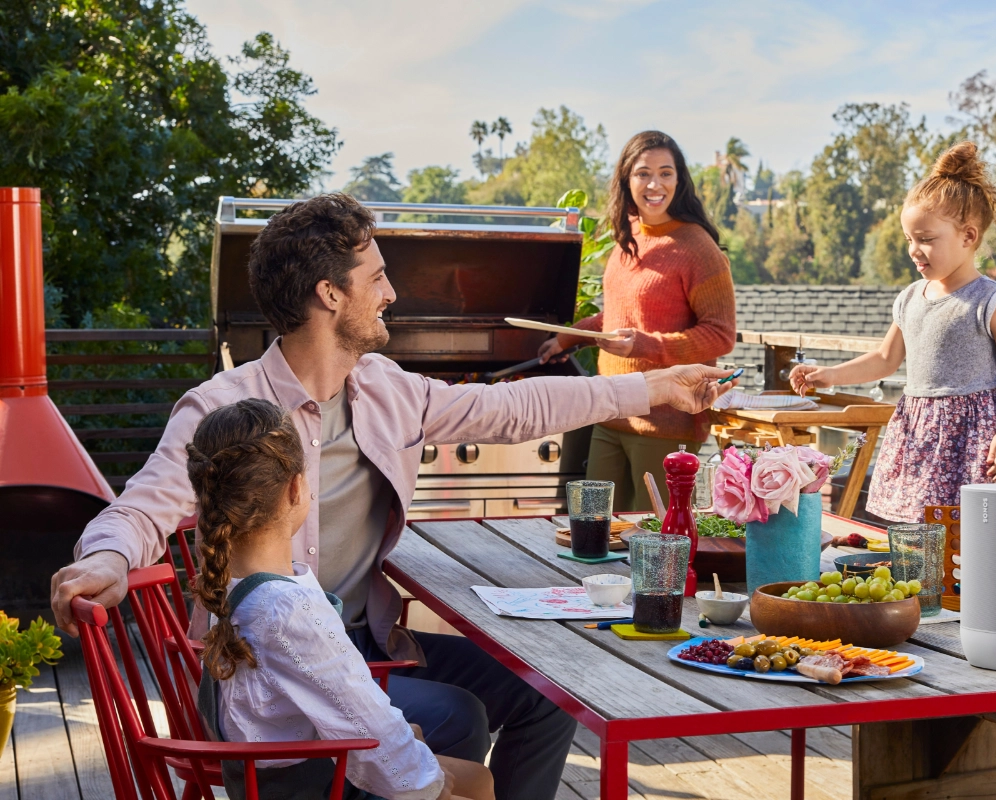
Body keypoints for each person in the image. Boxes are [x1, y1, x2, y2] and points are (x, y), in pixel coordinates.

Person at [49, 193, 736, 800]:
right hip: (271, 680)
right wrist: (107, 559)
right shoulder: (226, 411)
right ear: (329, 294)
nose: (392, 295)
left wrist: (655, 385)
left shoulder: (383, 386)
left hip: (357, 639)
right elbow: (144, 505)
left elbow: (516, 408)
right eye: (377, 277)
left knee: (546, 698)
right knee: (457, 718)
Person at [186, 398, 491, 800]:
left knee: (475, 777)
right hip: (312, 787)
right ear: (296, 489)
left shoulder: (229, 587)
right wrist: (428, 783)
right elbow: (364, 719)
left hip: (270, 778)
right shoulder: (285, 609)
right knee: (471, 783)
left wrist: (411, 749)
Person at [790, 141, 996, 522]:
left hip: (974, 438)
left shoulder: (990, 299)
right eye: (910, 239)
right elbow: (885, 359)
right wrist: (828, 375)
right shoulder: (910, 298)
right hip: (921, 433)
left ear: (968, 236)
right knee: (922, 531)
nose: (914, 249)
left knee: (979, 529)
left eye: (926, 239)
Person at [539, 131, 736, 512]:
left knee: (652, 541)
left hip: (665, 421)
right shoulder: (628, 238)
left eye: (666, 173)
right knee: (592, 526)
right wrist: (568, 339)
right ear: (627, 180)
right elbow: (618, 315)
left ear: (679, 180)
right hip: (610, 410)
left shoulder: (698, 248)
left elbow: (720, 335)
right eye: (643, 173)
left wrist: (644, 345)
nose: (654, 184)